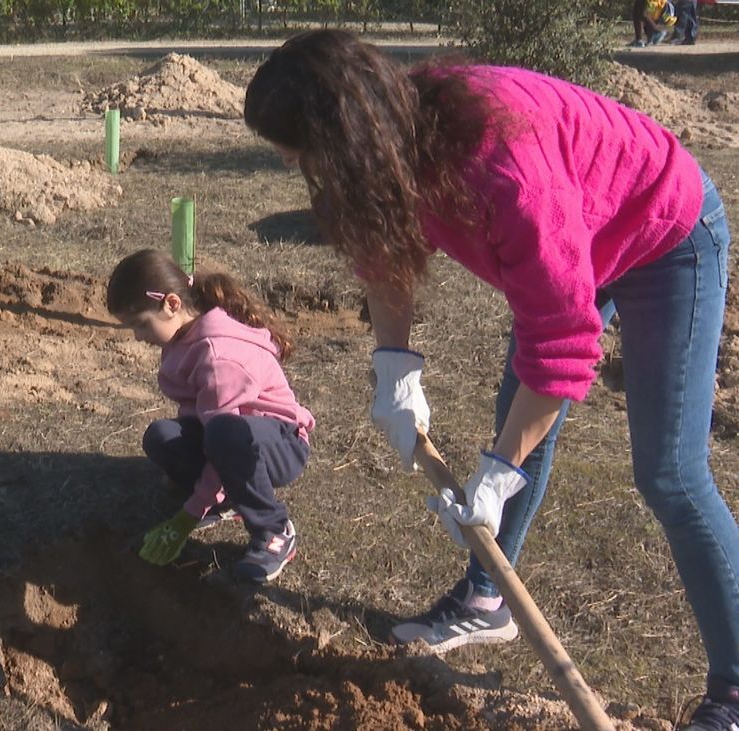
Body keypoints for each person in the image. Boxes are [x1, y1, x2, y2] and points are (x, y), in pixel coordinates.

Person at [244, 30, 738, 728]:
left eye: (301, 153)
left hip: (663, 228)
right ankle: (486, 598)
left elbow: (563, 341)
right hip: (578, 223)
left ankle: (737, 686)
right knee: (519, 411)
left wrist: (501, 470)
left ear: (349, 137)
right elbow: (385, 253)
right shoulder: (396, 145)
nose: (296, 167)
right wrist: (395, 369)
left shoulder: (500, 170)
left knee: (670, 473)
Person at [107, 249, 315, 584]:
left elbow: (224, 433)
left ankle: (274, 530)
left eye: (140, 324)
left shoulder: (218, 355)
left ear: (172, 304)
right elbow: (203, 416)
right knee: (161, 437)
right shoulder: (182, 334)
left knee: (223, 437)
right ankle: (226, 500)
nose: (137, 336)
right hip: (230, 436)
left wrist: (189, 515)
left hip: (279, 443)